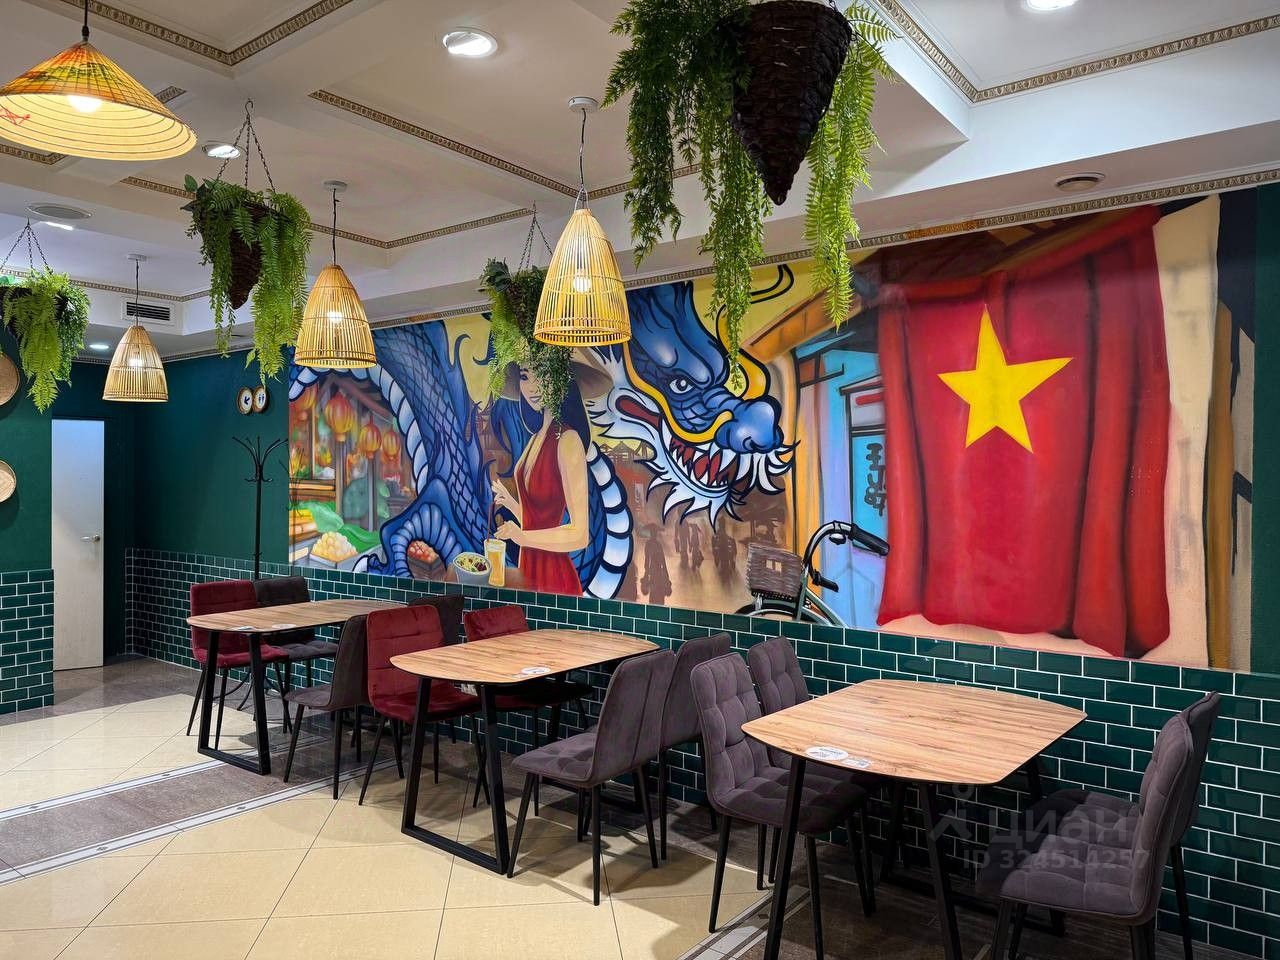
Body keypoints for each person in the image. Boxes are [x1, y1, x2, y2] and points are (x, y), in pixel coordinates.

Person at [491, 355, 611, 595]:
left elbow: (579, 535)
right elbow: (540, 520)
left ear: (560, 380)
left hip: (555, 580)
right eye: (525, 376)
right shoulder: (536, 438)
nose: (532, 387)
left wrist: (522, 537)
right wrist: (513, 505)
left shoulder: (568, 440)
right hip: (529, 570)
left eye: (542, 375)